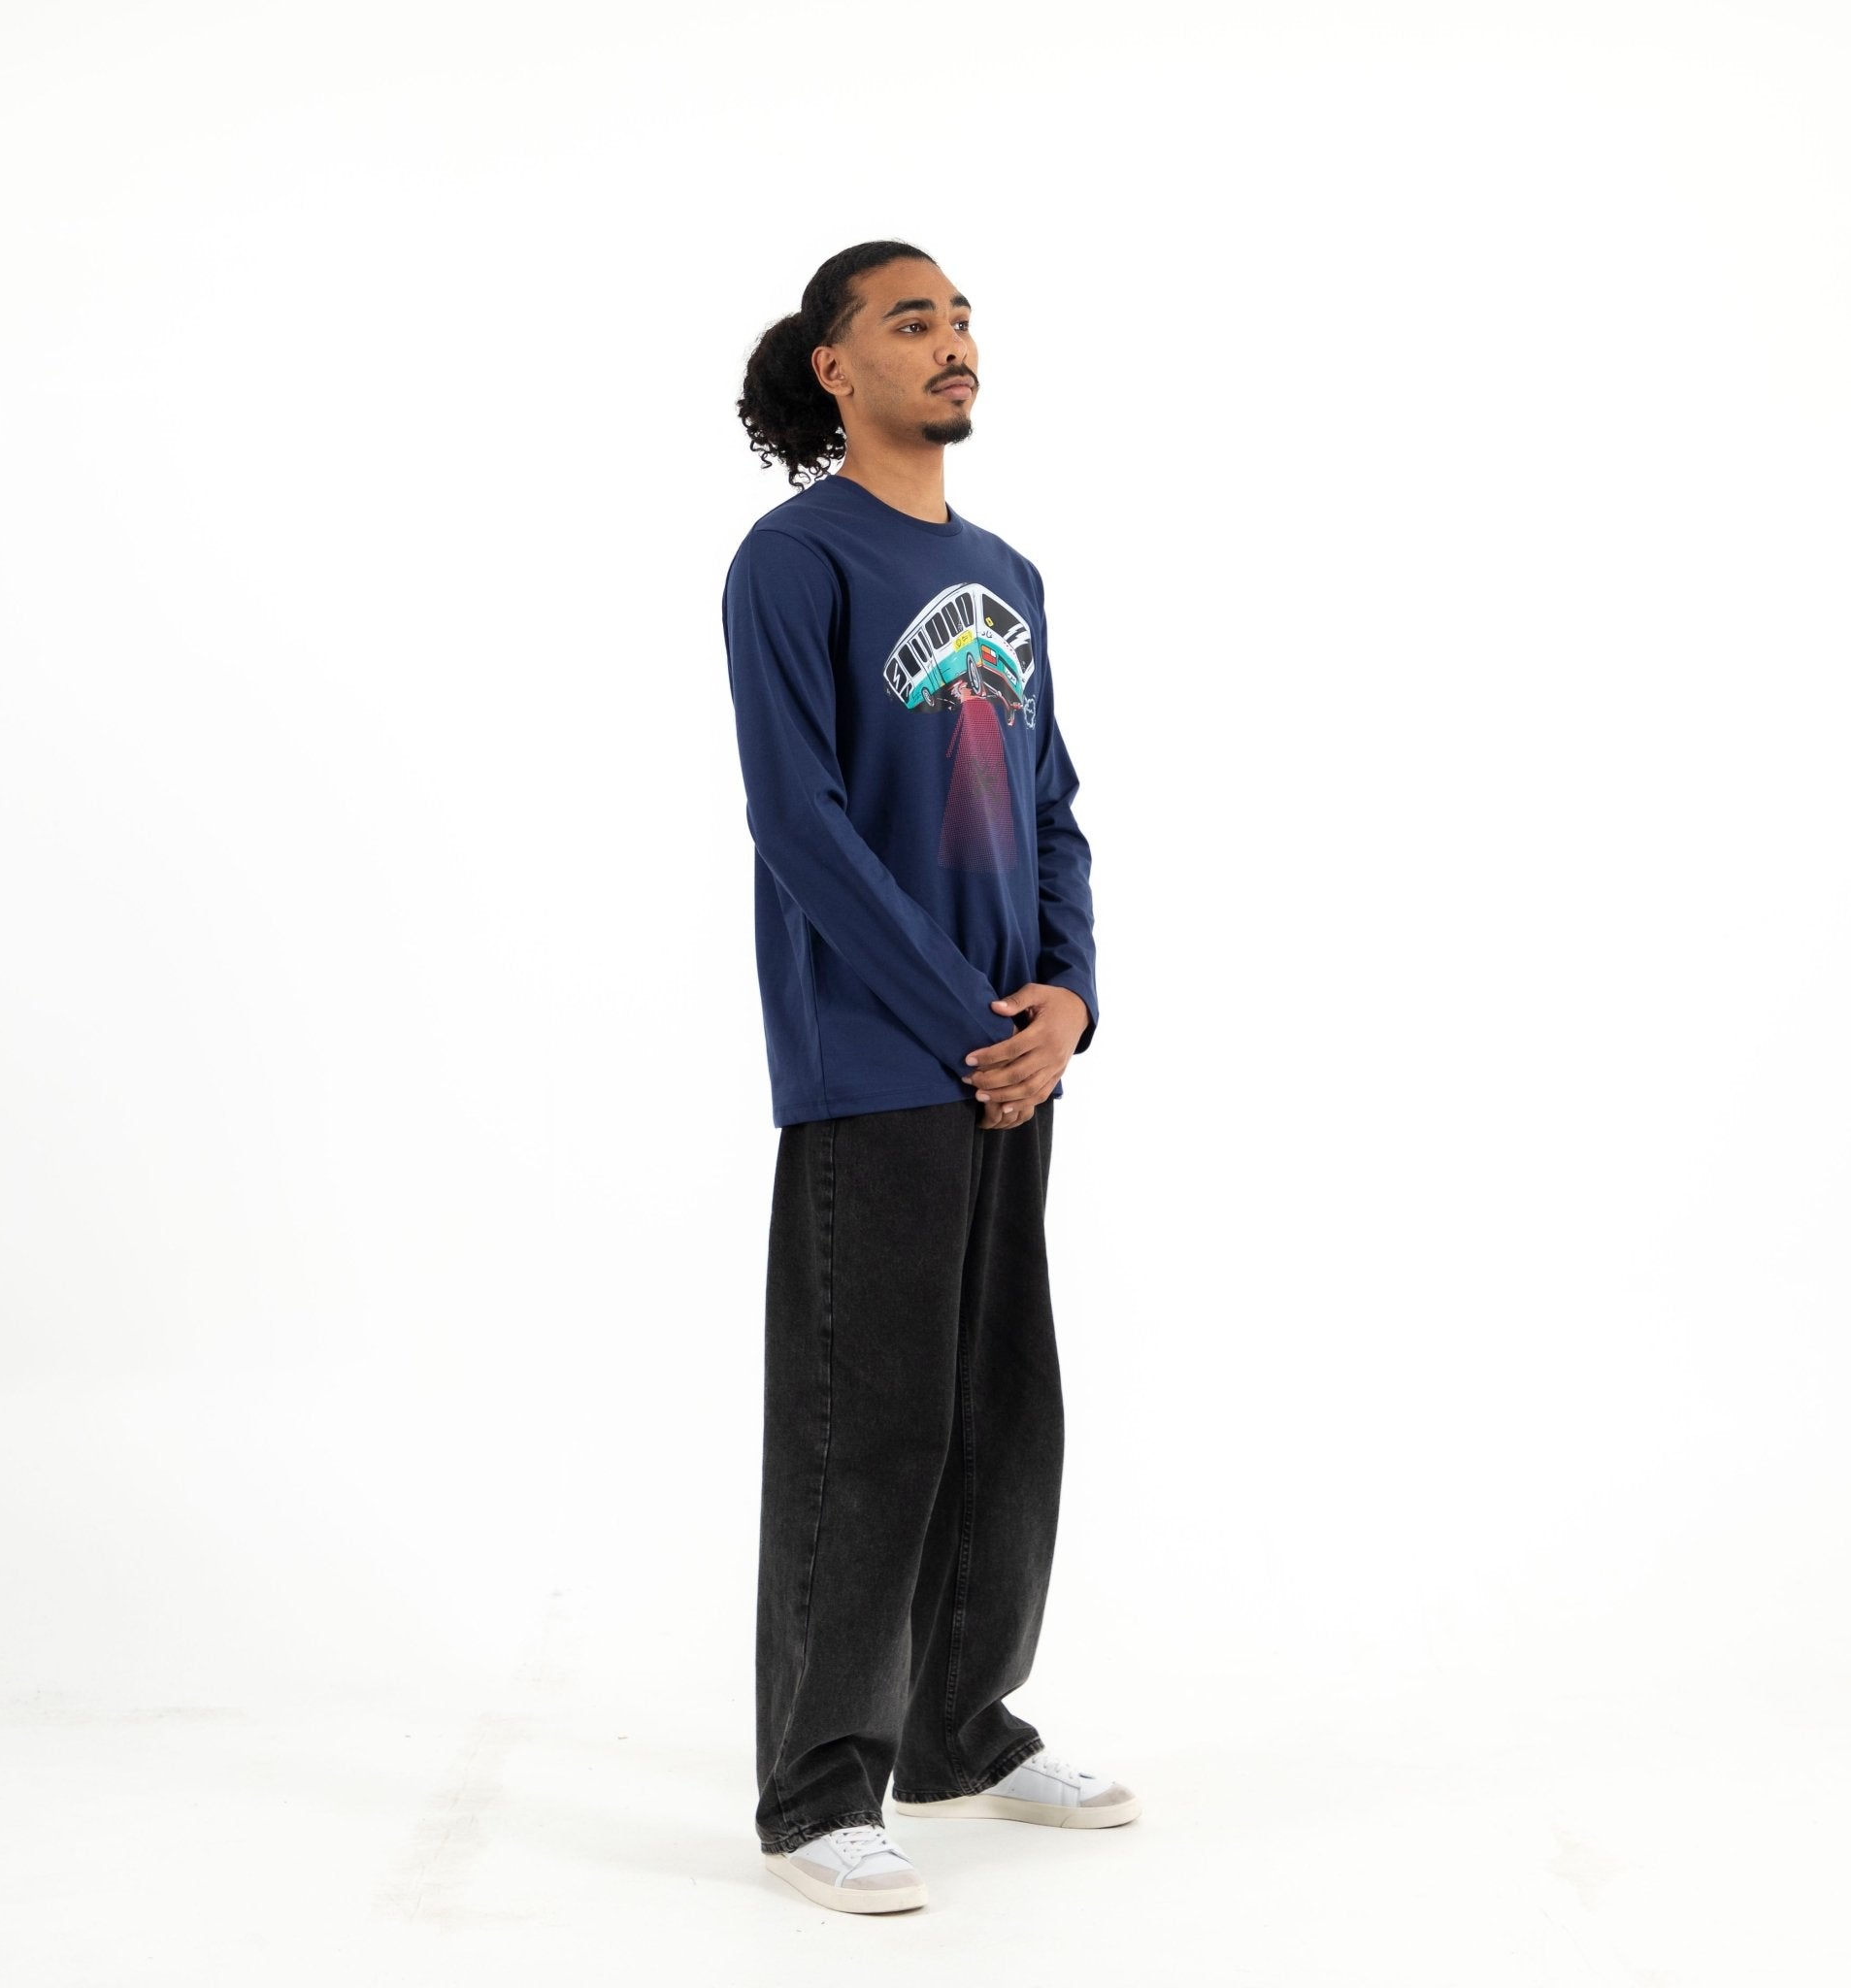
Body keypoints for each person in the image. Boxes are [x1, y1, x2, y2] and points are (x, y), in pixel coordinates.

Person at [721, 240, 1140, 1916]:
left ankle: (960, 1730)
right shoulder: (794, 560)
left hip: (1008, 1063)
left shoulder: (1008, 573)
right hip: (881, 1061)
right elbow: (800, 823)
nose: (954, 342)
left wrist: (1068, 1003)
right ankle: (820, 1787)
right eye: (914, 322)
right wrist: (970, 1016)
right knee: (866, 1421)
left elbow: (1051, 809)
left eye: (962, 319)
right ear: (838, 367)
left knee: (1000, 1411)